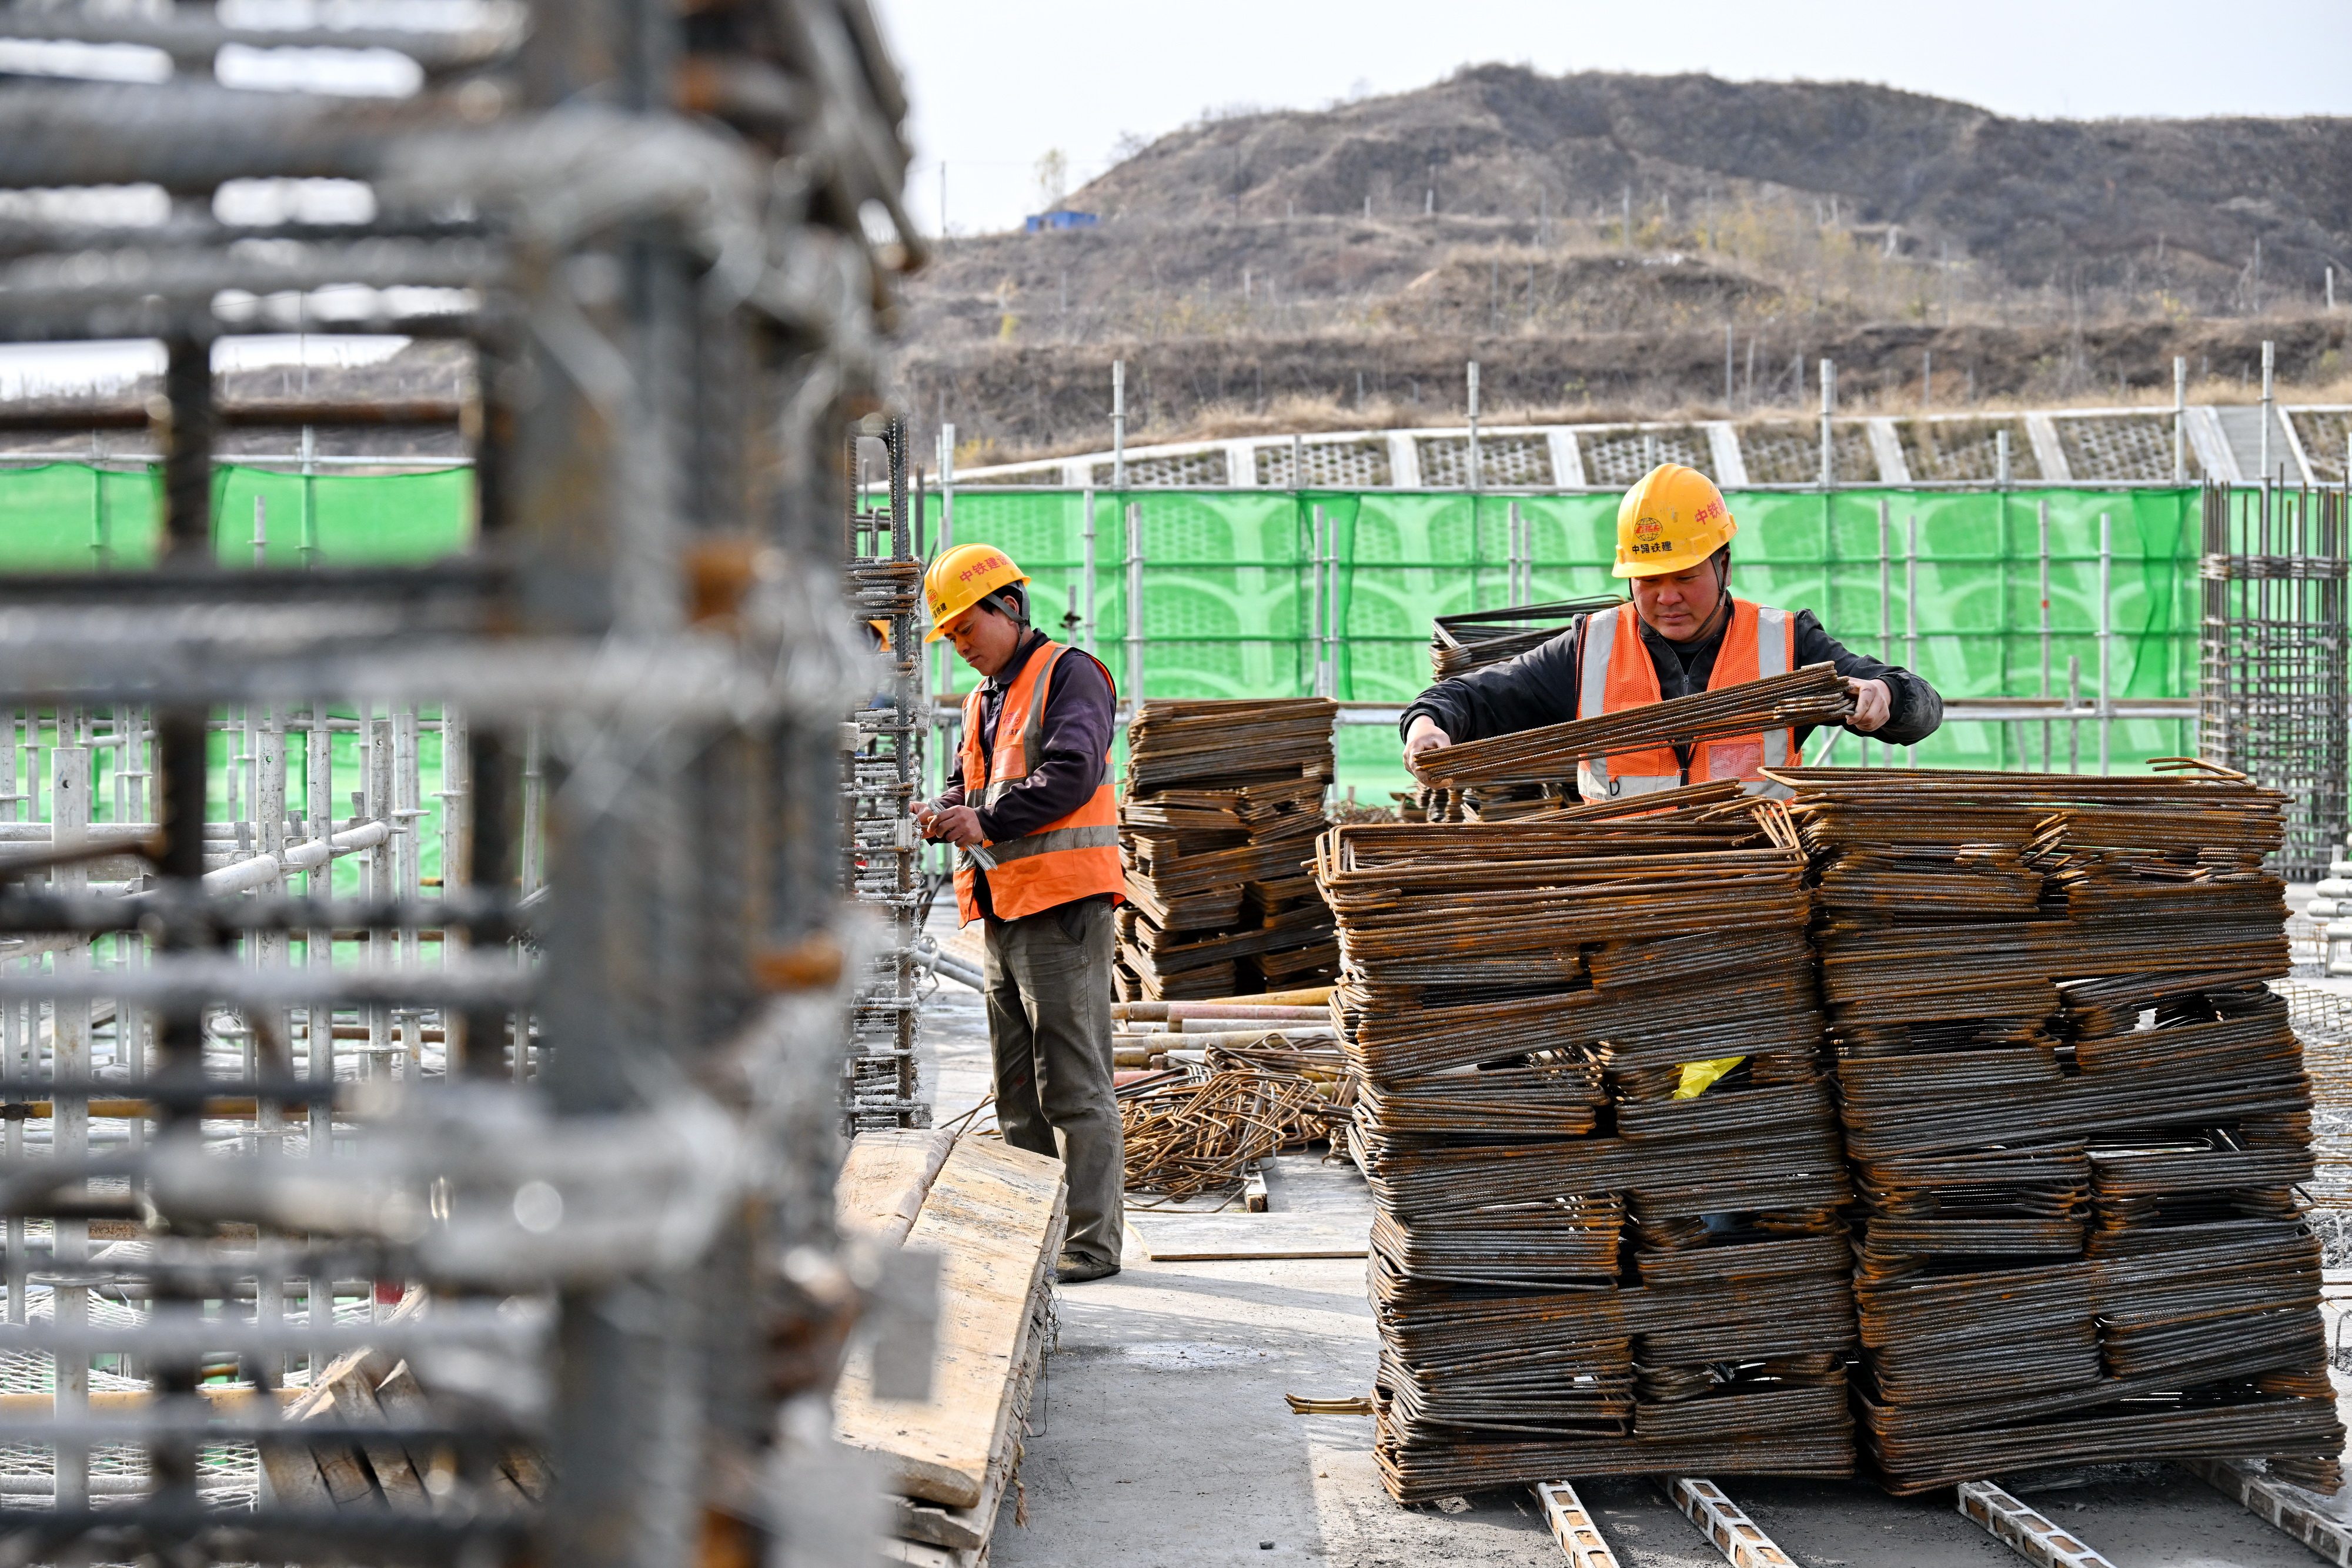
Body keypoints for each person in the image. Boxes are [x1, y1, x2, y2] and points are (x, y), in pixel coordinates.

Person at [1402, 463, 1943, 797]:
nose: (1667, 597)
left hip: (1754, 899)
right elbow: (1470, 697)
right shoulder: (1591, 648)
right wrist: (1427, 726)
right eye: (1649, 580)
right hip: (1625, 898)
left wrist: (1887, 696)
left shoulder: (1787, 642)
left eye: (1685, 576)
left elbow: (1922, 708)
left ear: (1723, 565)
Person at [913, 543, 1126, 1284]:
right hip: (1006, 905)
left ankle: (1092, 1244)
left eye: (966, 629)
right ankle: (1030, 1232)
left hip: (1062, 904)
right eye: (952, 638)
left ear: (1007, 608)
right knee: (1016, 1085)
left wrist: (986, 823)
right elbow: (967, 782)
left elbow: (1071, 773)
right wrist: (943, 809)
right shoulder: (986, 697)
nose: (962, 647)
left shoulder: (1070, 674)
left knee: (1072, 1079)